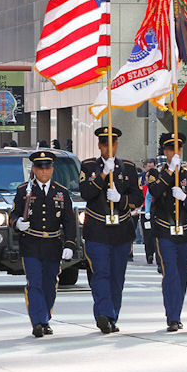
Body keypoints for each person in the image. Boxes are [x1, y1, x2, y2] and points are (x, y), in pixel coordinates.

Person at [78, 126, 143, 334]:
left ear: (117, 144)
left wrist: (121, 200)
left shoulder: (129, 168)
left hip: (121, 230)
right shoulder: (88, 167)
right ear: (99, 145)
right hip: (97, 229)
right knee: (101, 274)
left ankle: (113, 315)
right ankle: (104, 314)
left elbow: (137, 198)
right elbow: (86, 192)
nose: (109, 147)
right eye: (105, 143)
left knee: (117, 276)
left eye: (112, 143)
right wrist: (104, 174)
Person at [9, 150, 77, 338]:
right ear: (35, 170)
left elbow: (69, 221)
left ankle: (45, 317)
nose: (44, 172)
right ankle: (38, 322)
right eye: (40, 168)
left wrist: (70, 245)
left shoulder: (61, 192)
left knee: (49, 284)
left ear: (52, 169)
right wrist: (17, 223)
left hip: (53, 244)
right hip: (31, 243)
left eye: (47, 168)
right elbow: (13, 214)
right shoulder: (24, 190)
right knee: (35, 283)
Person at [147, 133, 187, 332]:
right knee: (170, 274)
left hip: (186, 231)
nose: (175, 152)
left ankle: (176, 311)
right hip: (165, 231)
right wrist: (170, 171)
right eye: (171, 149)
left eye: (178, 148)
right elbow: (154, 191)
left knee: (182, 275)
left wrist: (185, 198)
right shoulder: (155, 173)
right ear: (165, 151)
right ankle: (173, 316)